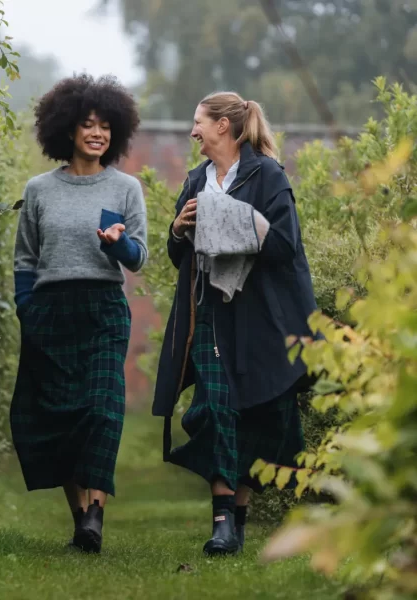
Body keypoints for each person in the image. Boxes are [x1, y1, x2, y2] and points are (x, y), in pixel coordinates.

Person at [153, 91, 317, 556]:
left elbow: (284, 244)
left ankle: (236, 516)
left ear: (224, 126)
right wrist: (179, 230)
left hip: (259, 317)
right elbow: (176, 257)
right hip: (208, 314)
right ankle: (222, 519)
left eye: (199, 122)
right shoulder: (194, 180)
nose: (193, 132)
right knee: (216, 407)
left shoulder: (266, 175)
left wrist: (228, 219)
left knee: (256, 414)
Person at [10, 74, 147, 554]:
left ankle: (96, 513)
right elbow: (25, 257)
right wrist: (26, 307)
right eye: (88, 124)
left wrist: (120, 244)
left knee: (101, 411)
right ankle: (80, 521)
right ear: (67, 129)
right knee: (59, 419)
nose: (97, 133)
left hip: (104, 309)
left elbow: (139, 258)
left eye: (106, 126)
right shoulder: (40, 190)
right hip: (49, 310)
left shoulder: (126, 188)